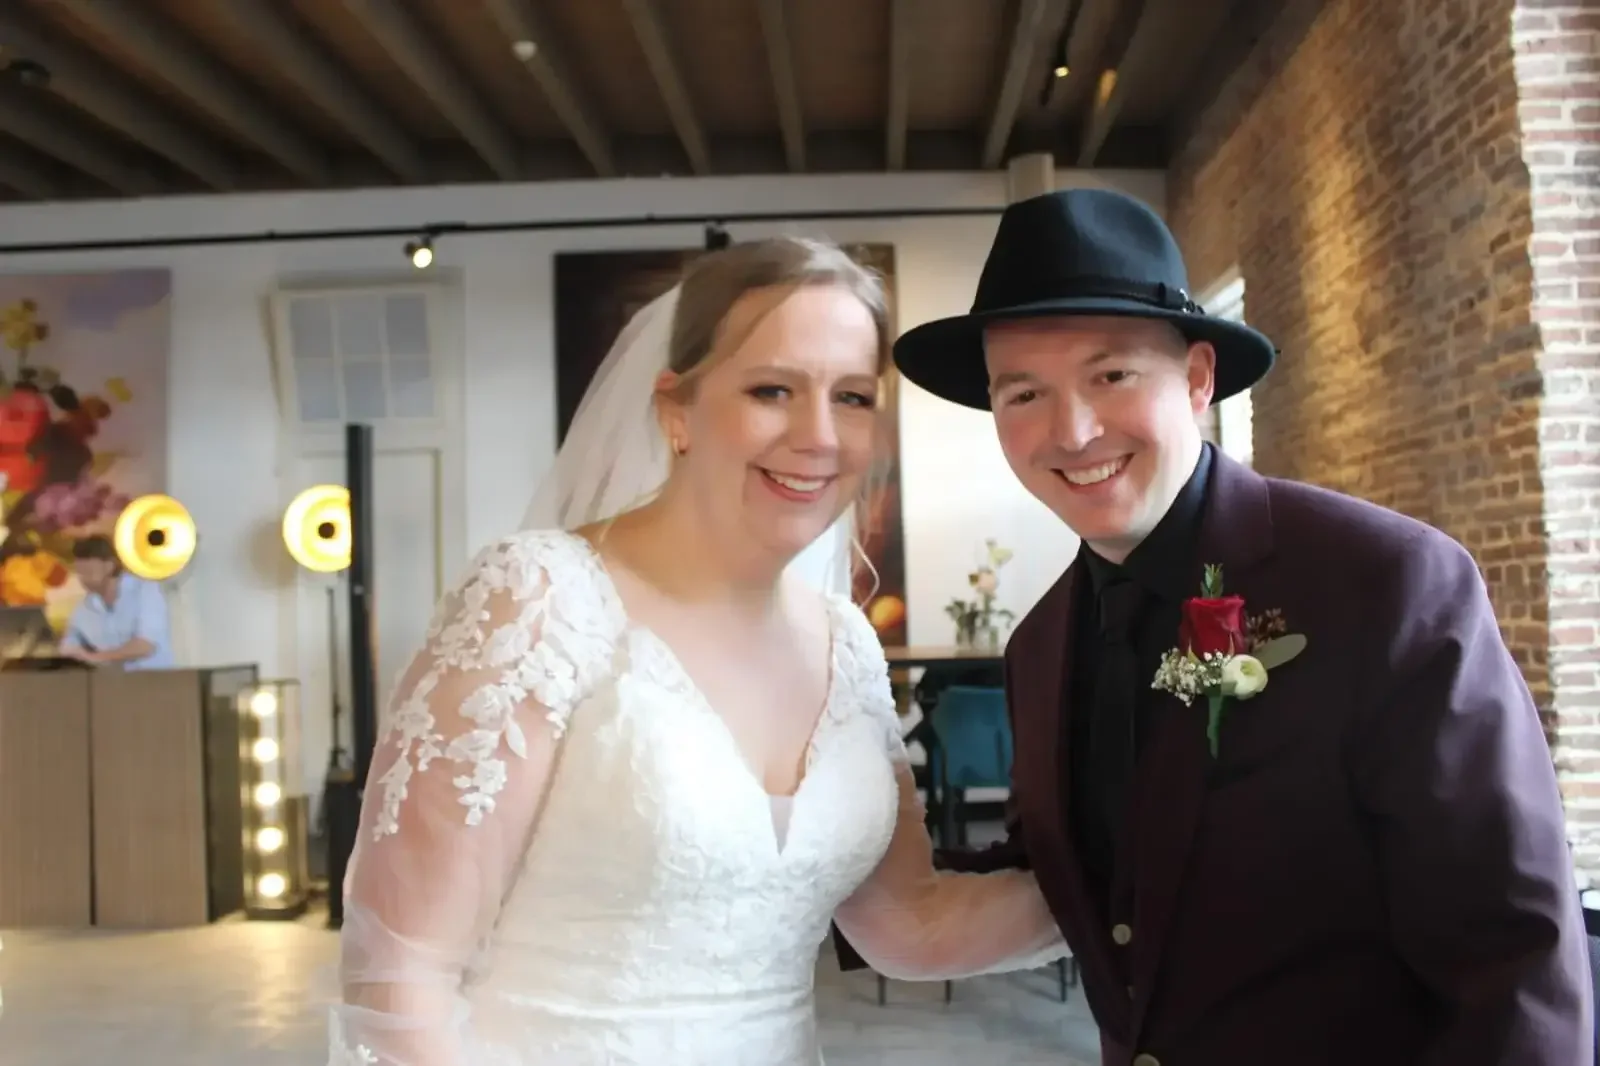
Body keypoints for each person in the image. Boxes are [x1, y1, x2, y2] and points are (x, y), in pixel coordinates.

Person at [872, 186, 1594, 1065]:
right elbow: (1073, 879)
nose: (1072, 430)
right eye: (1023, 393)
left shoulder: (1384, 582)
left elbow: (1511, 950)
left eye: (1111, 375)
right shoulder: (1041, 644)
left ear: (1200, 378)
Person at [327, 236, 1067, 1065]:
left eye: (853, 397)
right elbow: (401, 979)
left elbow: (910, 922)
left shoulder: (847, 644)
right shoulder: (537, 601)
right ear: (676, 410)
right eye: (771, 389)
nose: (819, 436)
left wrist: (1151, 885)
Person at [58, 533, 174, 669]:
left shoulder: (145, 590)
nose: (83, 578)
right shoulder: (83, 609)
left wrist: (97, 658)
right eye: (80, 572)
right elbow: (69, 645)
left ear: (110, 565)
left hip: (157, 682)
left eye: (88, 571)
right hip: (111, 686)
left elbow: (145, 645)